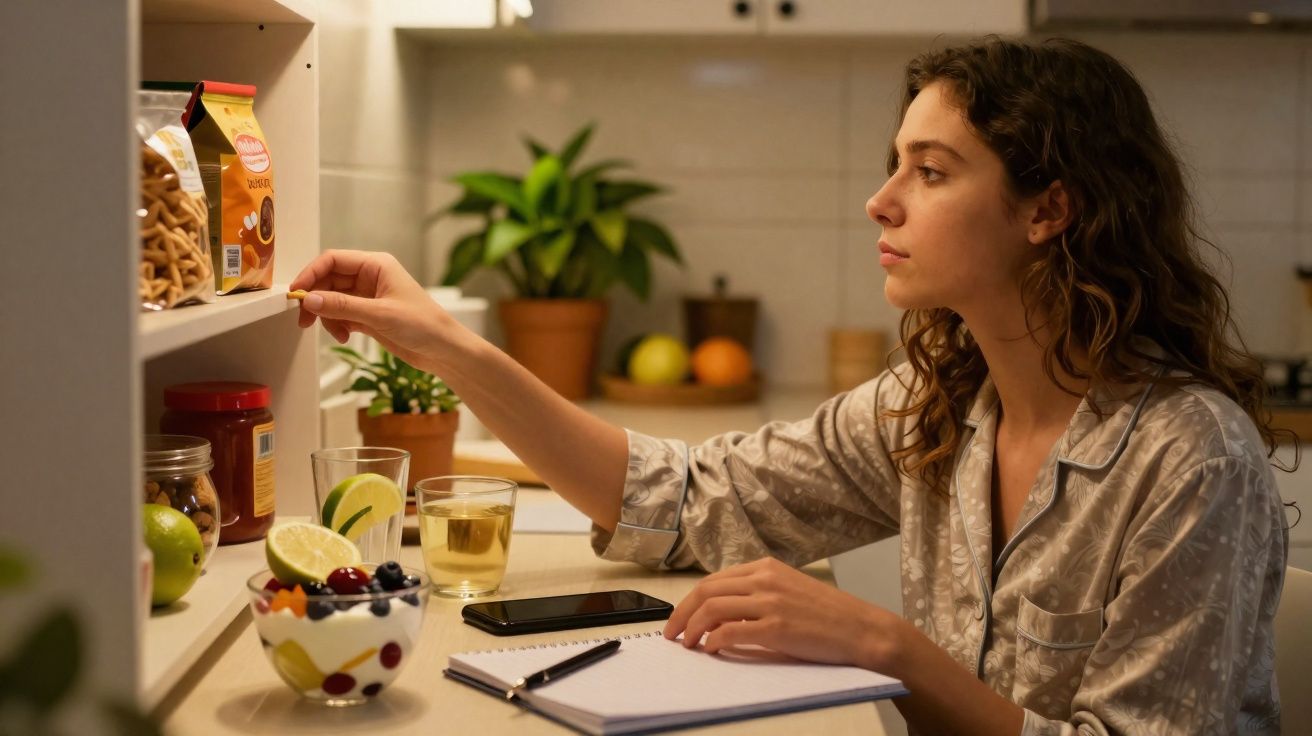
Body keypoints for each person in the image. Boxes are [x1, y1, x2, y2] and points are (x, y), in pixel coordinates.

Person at [291, 37, 1288, 735]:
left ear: (1048, 209)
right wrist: (447, 347)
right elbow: (679, 500)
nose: (880, 198)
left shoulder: (1188, 456)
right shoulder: (934, 403)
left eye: (930, 172)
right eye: (894, 163)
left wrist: (884, 644)